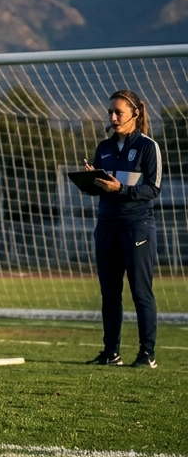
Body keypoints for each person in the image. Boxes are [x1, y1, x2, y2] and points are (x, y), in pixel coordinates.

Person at [83, 90, 161, 369]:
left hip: (136, 227)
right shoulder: (103, 147)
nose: (113, 118)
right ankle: (110, 352)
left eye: (119, 112)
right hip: (106, 227)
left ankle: (147, 354)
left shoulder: (148, 147)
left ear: (135, 114)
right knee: (110, 293)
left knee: (141, 292)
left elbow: (153, 188)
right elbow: (101, 191)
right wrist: (91, 180)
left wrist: (122, 189)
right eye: (110, 113)